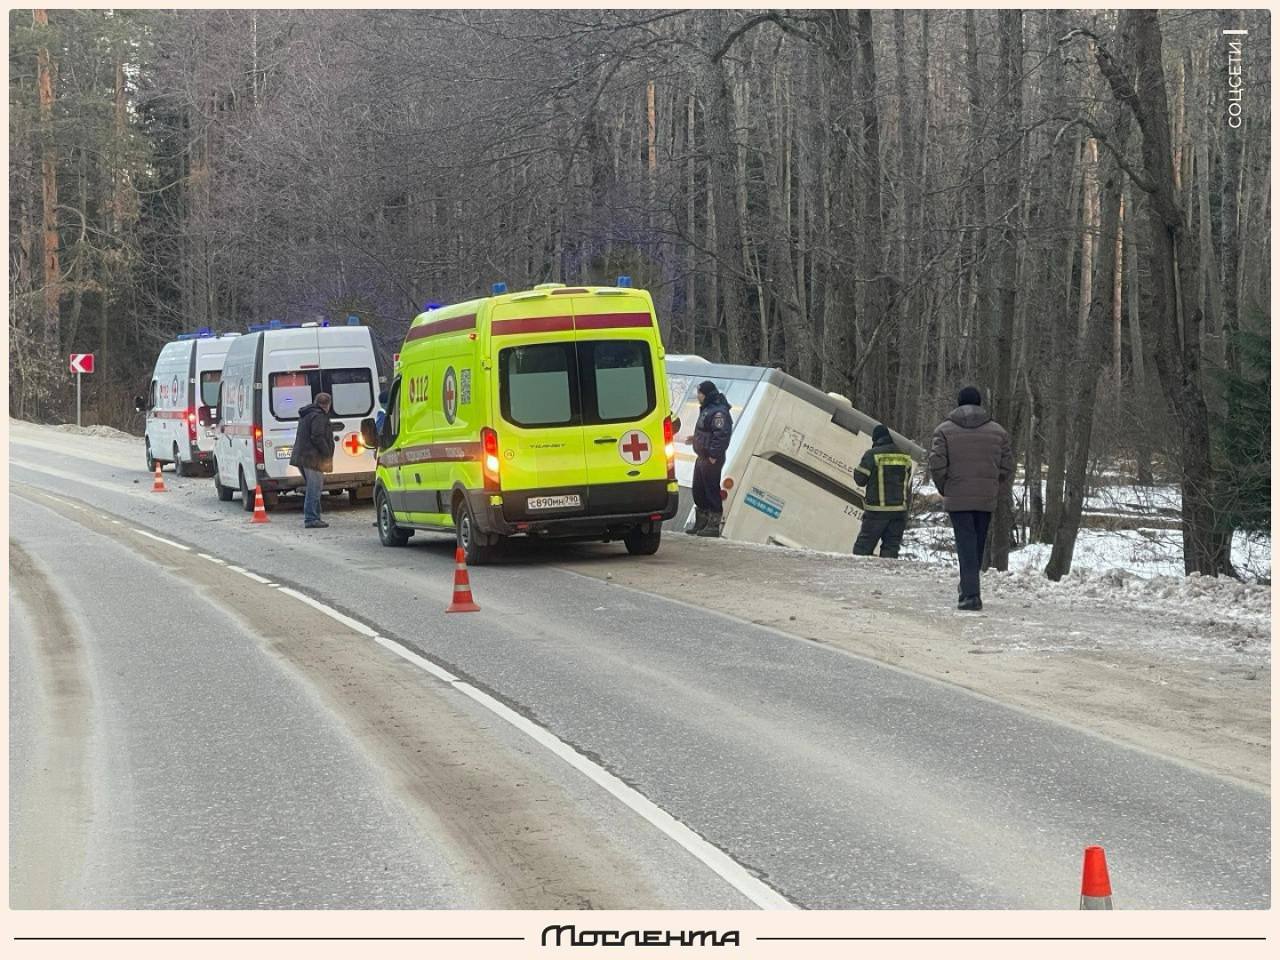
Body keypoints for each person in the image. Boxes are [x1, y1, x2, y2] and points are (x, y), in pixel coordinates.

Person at [928, 386, 1013, 611]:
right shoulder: (998, 432)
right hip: (986, 496)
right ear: (980, 403)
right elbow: (1006, 466)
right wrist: (995, 487)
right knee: (977, 543)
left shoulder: (943, 430)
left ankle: (970, 595)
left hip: (957, 495)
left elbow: (936, 463)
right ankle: (968, 588)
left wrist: (945, 487)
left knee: (965, 543)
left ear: (958, 403)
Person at [852, 424, 913, 558]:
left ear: (875, 439)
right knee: (890, 550)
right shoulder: (904, 457)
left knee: (862, 549)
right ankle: (887, 578)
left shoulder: (872, 455)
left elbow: (860, 480)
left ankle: (860, 577)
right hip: (899, 512)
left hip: (877, 512)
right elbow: (907, 485)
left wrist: (856, 470)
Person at [689, 380, 733, 537]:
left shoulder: (718, 412)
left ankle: (713, 524)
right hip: (702, 456)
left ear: (705, 394)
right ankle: (701, 522)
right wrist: (694, 439)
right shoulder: (708, 409)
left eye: (699, 393)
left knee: (711, 489)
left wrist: (714, 455)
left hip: (711, 458)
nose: (697, 396)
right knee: (699, 490)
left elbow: (721, 435)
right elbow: (706, 431)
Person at [290, 392, 335, 529]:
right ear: (328, 405)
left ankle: (315, 516)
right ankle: (311, 518)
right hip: (313, 458)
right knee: (314, 488)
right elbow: (317, 436)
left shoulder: (307, 414)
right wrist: (327, 452)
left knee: (314, 487)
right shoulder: (319, 416)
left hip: (303, 457)